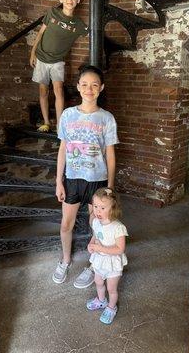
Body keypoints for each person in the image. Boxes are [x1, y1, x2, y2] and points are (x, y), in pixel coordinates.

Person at [53, 65, 119, 289]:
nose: (89, 89)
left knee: (97, 226)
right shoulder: (68, 115)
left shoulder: (106, 118)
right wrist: (58, 180)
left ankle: (93, 265)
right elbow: (63, 148)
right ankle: (65, 260)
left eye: (94, 85)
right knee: (66, 224)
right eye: (84, 84)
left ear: (101, 88)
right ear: (78, 87)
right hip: (72, 178)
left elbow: (110, 155)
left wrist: (109, 187)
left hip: (97, 181)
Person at [30, 0, 89, 132]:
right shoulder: (52, 13)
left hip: (57, 62)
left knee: (58, 90)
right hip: (41, 58)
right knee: (43, 91)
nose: (70, 0)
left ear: (78, 0)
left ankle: (59, 124)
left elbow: (91, 34)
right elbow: (40, 33)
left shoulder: (79, 24)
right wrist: (32, 52)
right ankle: (46, 122)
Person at [86, 187, 128, 324]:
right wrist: (91, 244)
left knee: (111, 288)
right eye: (96, 206)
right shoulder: (96, 222)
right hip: (99, 260)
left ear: (113, 208)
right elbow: (95, 235)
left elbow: (120, 249)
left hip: (112, 263)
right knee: (98, 281)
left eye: (103, 208)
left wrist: (100, 247)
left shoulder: (118, 228)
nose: (97, 211)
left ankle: (111, 307)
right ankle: (101, 300)